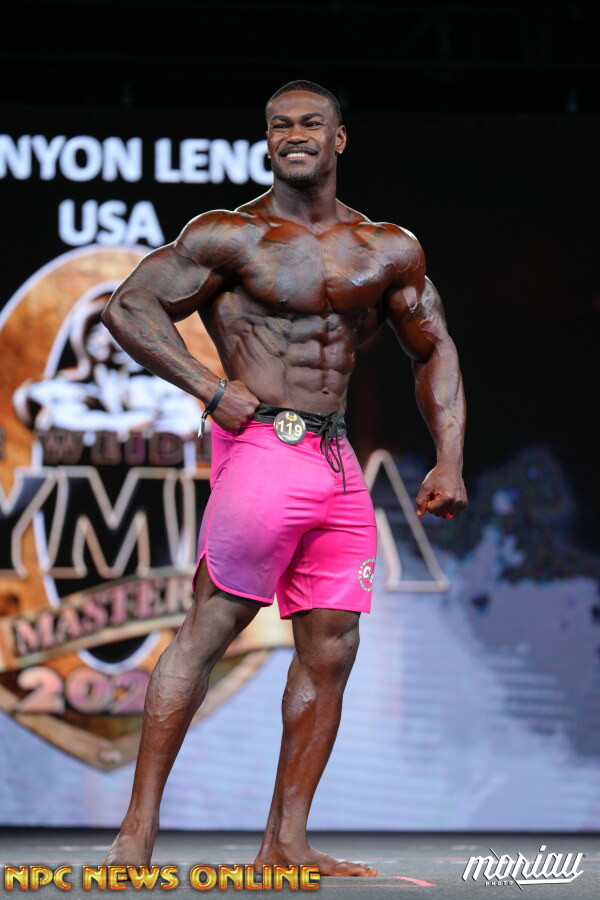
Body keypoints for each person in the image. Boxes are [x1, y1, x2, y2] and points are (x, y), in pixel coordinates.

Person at [101, 79, 467, 877]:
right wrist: (209, 388)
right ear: (267, 141)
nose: (294, 135)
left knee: (332, 646)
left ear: (339, 139)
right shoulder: (232, 237)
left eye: (310, 124)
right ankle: (136, 832)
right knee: (211, 627)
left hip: (336, 462)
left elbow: (433, 347)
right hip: (264, 445)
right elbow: (129, 308)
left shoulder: (387, 248)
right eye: (279, 126)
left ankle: (285, 842)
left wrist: (449, 457)